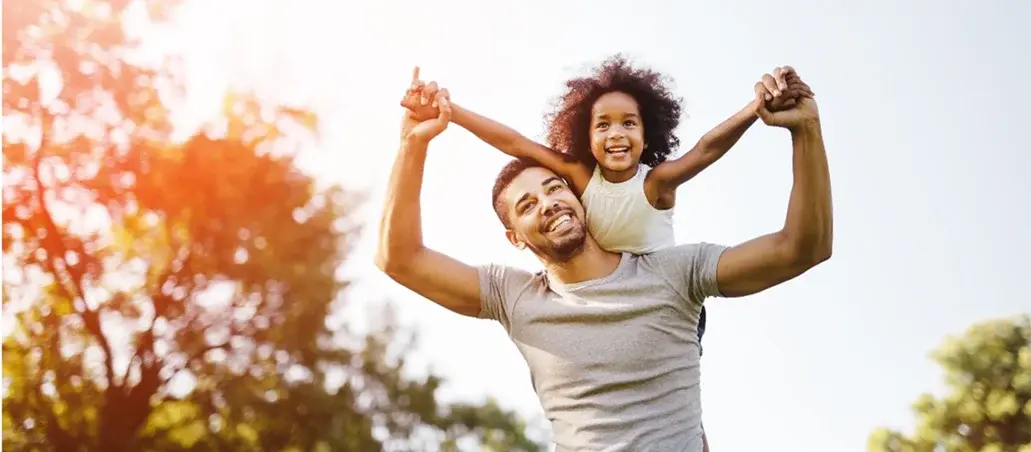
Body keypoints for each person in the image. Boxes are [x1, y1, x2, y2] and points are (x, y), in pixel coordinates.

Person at [377, 68, 832, 451]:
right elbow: (399, 259)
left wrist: (805, 131)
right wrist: (412, 144)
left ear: (577, 195)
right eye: (527, 204)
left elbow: (801, 247)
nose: (548, 203)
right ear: (514, 238)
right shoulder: (513, 296)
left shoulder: (674, 273)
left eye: (554, 189)